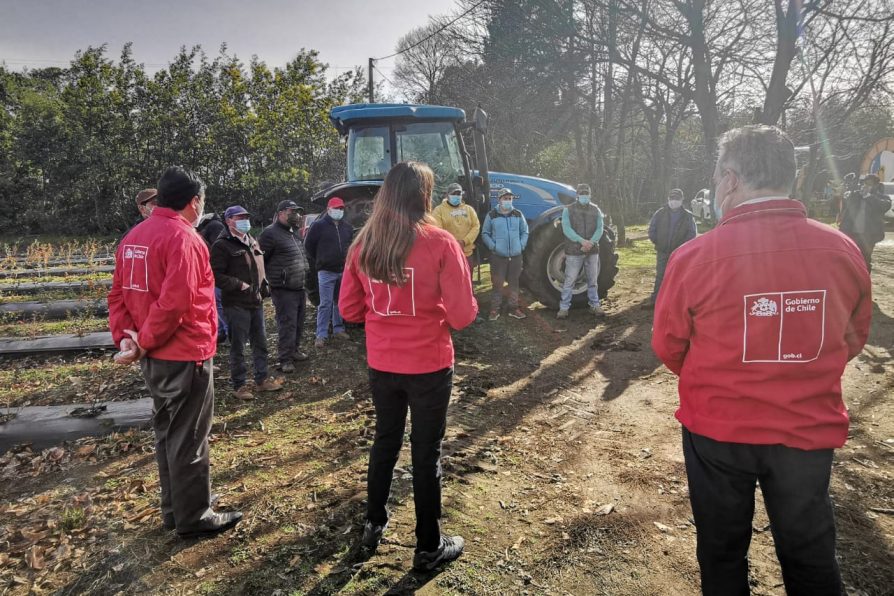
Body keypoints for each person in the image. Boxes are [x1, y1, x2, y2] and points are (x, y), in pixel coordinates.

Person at [652, 125, 872, 596]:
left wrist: (722, 375)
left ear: (729, 180)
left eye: (715, 178)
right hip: (806, 432)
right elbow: (853, 335)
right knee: (811, 553)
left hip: (718, 431)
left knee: (722, 550)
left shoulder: (694, 257)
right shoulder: (842, 250)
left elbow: (669, 345)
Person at [339, 161, 477, 572]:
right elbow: (462, 315)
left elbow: (348, 308)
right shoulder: (440, 242)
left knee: (385, 441)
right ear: (424, 195)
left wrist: (386, 317)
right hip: (429, 364)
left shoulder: (364, 244)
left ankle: (373, 522)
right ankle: (428, 545)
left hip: (383, 363)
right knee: (426, 453)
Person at [108, 166, 242, 538]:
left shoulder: (134, 237)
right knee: (189, 437)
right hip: (183, 354)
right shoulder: (184, 239)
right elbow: (174, 303)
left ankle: (174, 509)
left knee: (168, 432)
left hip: (153, 357)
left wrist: (128, 339)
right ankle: (194, 517)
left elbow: (118, 294)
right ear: (194, 201)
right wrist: (144, 341)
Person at [210, 205, 282, 400]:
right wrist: (237, 284)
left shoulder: (251, 240)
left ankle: (262, 379)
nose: (245, 221)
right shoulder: (222, 245)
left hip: (255, 302)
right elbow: (215, 275)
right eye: (240, 217)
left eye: (246, 217)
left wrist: (264, 283)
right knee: (238, 347)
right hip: (235, 304)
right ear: (229, 221)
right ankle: (240, 385)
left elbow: (259, 265)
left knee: (261, 343)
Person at [258, 200, 310, 372]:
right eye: (291, 211)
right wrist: (266, 283)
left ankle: (294, 350)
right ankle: (285, 359)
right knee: (287, 324)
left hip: (299, 286)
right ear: (280, 213)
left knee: (299, 322)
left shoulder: (293, 232)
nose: (296, 215)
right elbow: (260, 260)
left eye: (297, 212)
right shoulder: (270, 234)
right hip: (283, 289)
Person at [304, 197, 353, 348]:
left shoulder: (347, 227)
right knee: (325, 303)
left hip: (342, 270)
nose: (339, 211)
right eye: (336, 208)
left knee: (339, 302)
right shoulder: (318, 226)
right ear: (329, 209)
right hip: (326, 271)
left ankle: (338, 329)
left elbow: (350, 246)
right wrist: (321, 260)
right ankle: (321, 334)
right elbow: (309, 246)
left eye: (341, 208)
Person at [557, 183, 605, 319]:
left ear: (590, 195)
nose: (584, 196)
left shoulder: (596, 209)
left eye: (586, 193)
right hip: (574, 251)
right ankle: (564, 308)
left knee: (592, 280)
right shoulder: (568, 210)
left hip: (592, 250)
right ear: (577, 195)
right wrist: (582, 241)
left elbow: (600, 228)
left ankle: (595, 305)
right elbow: (566, 229)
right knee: (569, 280)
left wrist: (591, 242)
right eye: (582, 194)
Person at [481, 188, 529, 321]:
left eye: (509, 198)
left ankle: (513, 308)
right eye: (505, 198)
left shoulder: (518, 214)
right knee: (497, 283)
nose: (507, 201)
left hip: (515, 256)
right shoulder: (492, 215)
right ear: (499, 200)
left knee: (514, 283)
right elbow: (485, 233)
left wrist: (521, 245)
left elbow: (525, 231)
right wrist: (494, 247)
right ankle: (494, 309)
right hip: (498, 256)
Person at [647, 188, 697, 305]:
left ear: (681, 200)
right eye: (672, 199)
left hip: (680, 253)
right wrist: (658, 242)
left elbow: (692, 234)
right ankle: (656, 301)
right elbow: (652, 229)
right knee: (660, 275)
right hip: (662, 251)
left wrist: (683, 248)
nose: (673, 201)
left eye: (676, 199)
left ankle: (677, 302)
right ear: (668, 199)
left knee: (679, 276)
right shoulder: (660, 213)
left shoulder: (687, 216)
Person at [839, 173, 891, 272]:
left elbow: (884, 206)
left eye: (869, 184)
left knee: (865, 259)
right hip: (851, 233)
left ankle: (865, 280)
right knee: (849, 258)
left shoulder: (883, 197)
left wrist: (868, 196)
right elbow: (845, 205)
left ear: (876, 185)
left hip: (868, 236)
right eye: (865, 183)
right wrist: (847, 193)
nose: (866, 186)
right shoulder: (856, 195)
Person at [432, 182, 481, 277]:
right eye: (453, 194)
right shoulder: (439, 210)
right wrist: (453, 244)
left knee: (467, 279)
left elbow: (476, 226)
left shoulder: (469, 209)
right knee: (451, 280)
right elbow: (437, 230)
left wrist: (464, 241)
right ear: (447, 195)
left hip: (467, 254)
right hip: (449, 255)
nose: (456, 196)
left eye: (459, 194)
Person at [197, 211, 229, 344]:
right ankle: (221, 332)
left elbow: (219, 249)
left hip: (215, 271)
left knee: (219, 302)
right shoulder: (210, 226)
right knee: (216, 303)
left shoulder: (214, 226)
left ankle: (228, 333)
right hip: (210, 271)